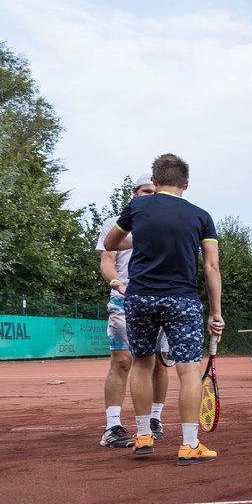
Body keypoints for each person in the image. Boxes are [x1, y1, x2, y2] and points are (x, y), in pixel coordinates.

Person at [104, 153, 224, 464]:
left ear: (155, 182)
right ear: (186, 183)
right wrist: (216, 312)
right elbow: (211, 266)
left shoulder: (138, 206)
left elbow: (111, 242)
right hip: (181, 299)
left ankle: (143, 436)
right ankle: (189, 444)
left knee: (141, 364)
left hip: (140, 296)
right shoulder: (201, 216)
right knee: (188, 370)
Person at [97, 174, 171, 447]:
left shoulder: (167, 225)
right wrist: (116, 282)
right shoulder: (112, 225)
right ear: (134, 193)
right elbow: (107, 259)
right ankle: (113, 427)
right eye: (146, 191)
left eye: (155, 192)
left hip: (159, 299)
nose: (151, 195)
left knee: (158, 363)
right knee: (123, 361)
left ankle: (154, 418)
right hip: (124, 299)